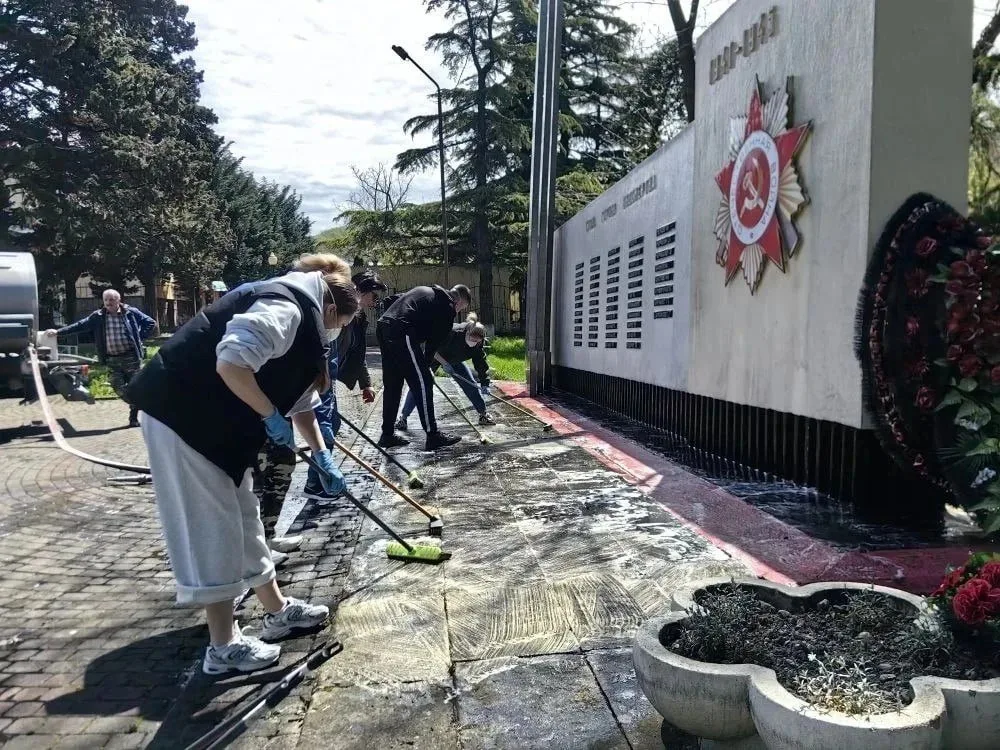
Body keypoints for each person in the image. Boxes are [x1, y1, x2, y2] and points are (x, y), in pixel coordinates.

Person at [126, 267, 357, 675]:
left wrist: (323, 455)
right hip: (184, 419)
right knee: (214, 528)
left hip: (218, 427)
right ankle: (223, 647)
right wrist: (269, 414)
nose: (336, 333)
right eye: (339, 324)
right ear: (329, 308)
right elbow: (231, 362)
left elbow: (302, 402)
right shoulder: (285, 308)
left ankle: (277, 611)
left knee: (245, 518)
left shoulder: (302, 317)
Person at [302, 267, 387, 499]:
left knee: (332, 425)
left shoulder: (357, 318)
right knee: (326, 428)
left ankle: (318, 480)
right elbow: (325, 354)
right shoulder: (338, 313)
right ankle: (316, 484)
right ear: (361, 291)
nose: (375, 302)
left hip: (328, 376)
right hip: (320, 376)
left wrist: (366, 383)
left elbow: (357, 353)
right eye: (373, 296)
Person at [376, 283, 471, 451]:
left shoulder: (428, 292)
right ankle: (433, 435)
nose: (457, 312)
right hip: (402, 329)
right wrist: (426, 370)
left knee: (393, 383)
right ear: (458, 302)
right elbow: (433, 345)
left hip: (385, 325)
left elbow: (394, 299)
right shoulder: (447, 306)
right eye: (461, 308)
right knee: (423, 382)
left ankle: (387, 435)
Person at [46, 290, 156, 427]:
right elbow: (80, 325)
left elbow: (150, 323)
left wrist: (138, 338)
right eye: (106, 300)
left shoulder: (130, 312)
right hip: (112, 359)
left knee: (135, 386)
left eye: (112, 300)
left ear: (118, 300)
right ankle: (143, 404)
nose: (109, 303)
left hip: (131, 357)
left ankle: (133, 418)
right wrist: (58, 332)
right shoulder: (98, 316)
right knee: (118, 387)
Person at [396, 313, 496, 430]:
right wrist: (444, 363)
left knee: (470, 384)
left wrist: (485, 383)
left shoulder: (478, 344)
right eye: (472, 339)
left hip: (454, 359)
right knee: (420, 385)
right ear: (467, 333)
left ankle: (483, 415)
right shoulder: (452, 332)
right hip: (433, 356)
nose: (473, 342)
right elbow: (431, 348)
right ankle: (403, 418)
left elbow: (481, 364)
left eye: (477, 340)